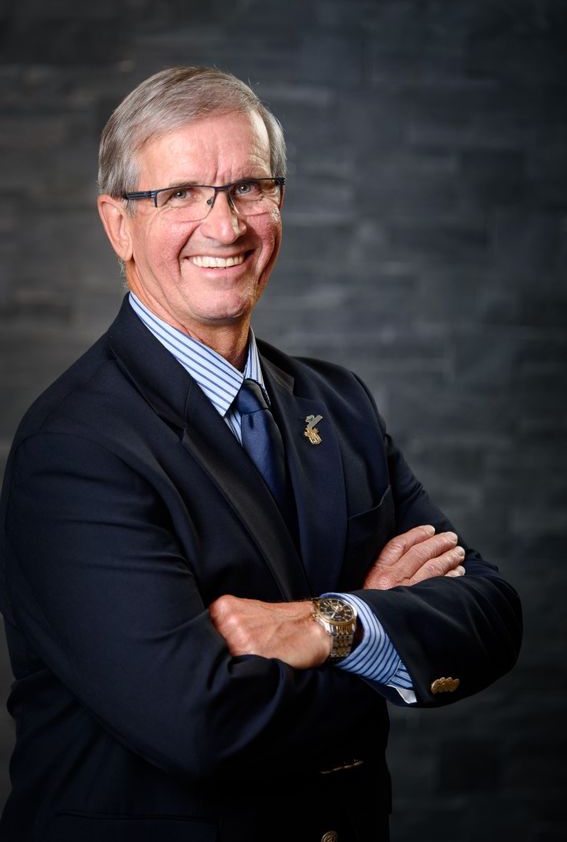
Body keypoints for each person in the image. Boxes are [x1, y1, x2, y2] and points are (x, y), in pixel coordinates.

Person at [0, 66, 522, 842]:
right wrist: (387, 640)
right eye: (180, 194)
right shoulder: (74, 448)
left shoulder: (338, 403)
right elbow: (202, 723)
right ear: (118, 224)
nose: (225, 226)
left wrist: (330, 624)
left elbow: (490, 613)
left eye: (249, 187)